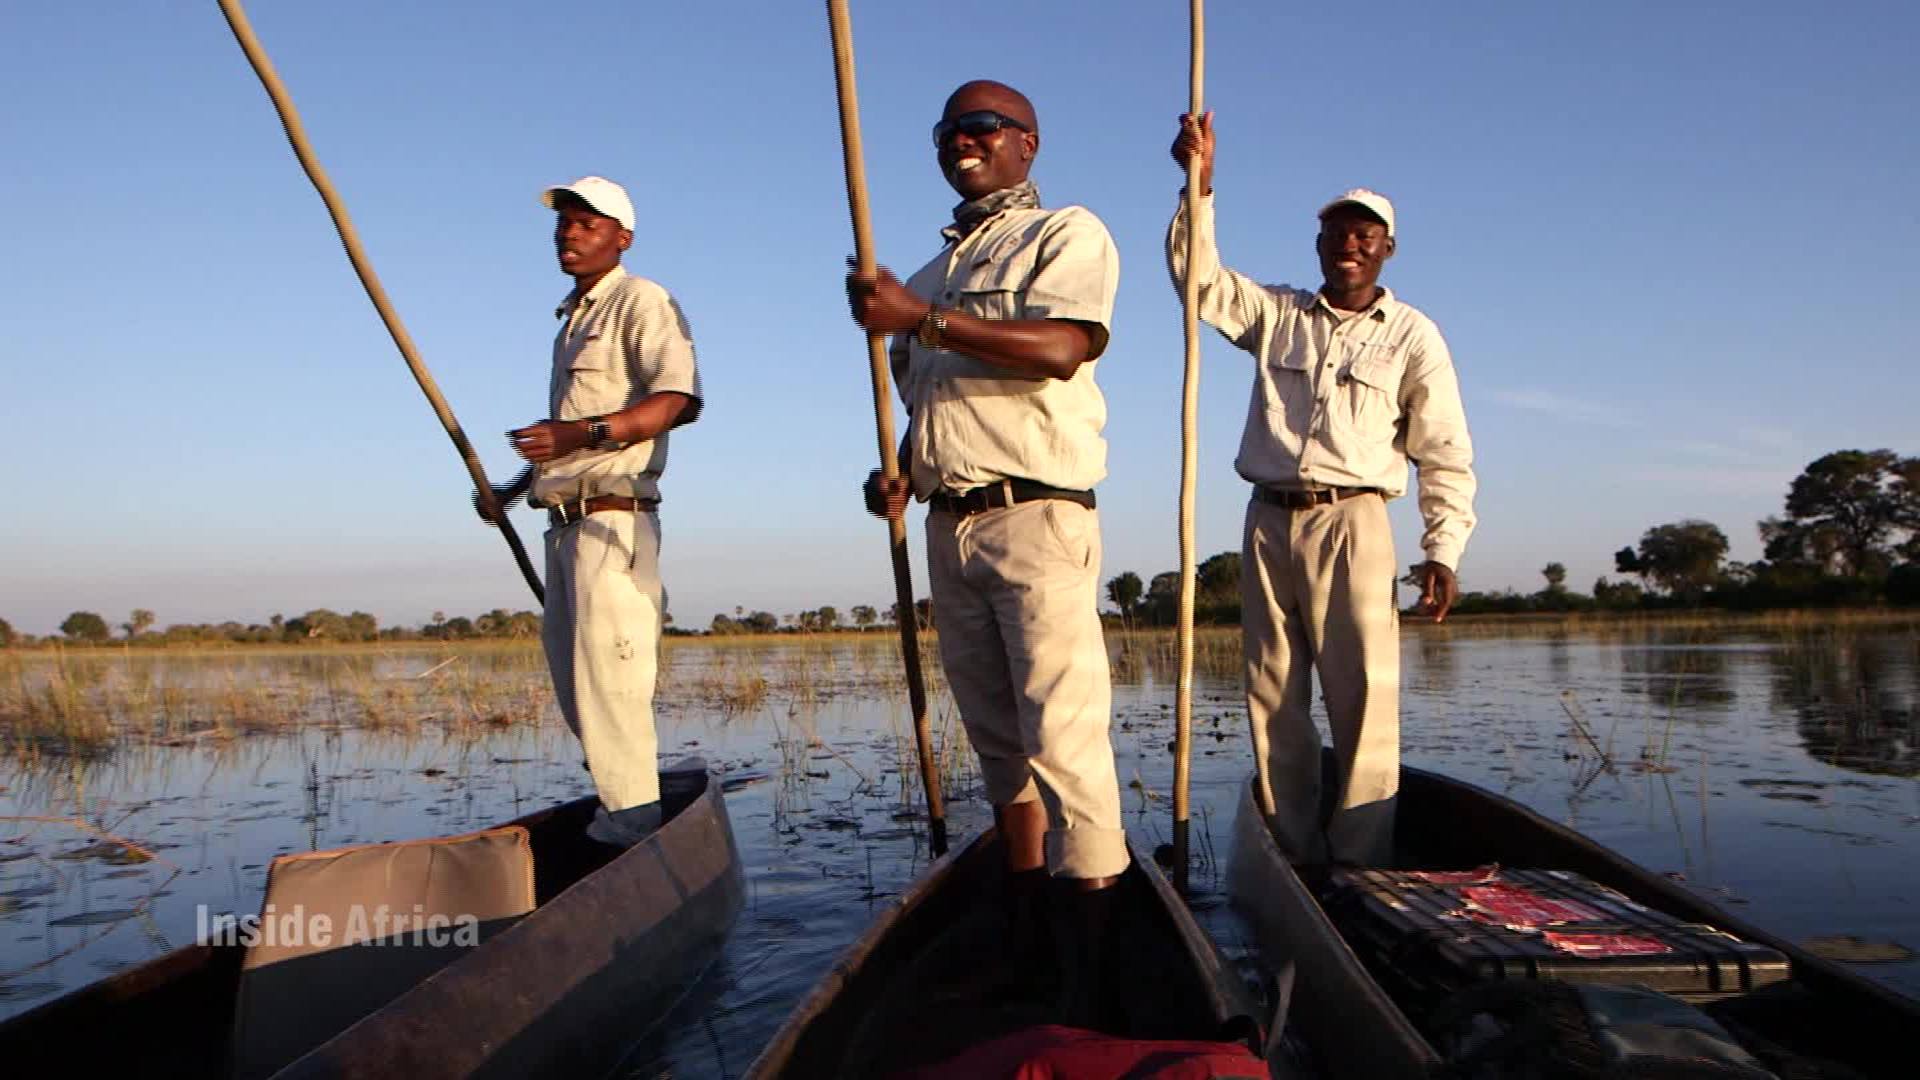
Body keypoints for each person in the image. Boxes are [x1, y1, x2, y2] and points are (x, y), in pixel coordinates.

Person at [847, 80, 1124, 1017]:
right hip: (949, 525)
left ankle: (1091, 960)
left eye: (984, 126)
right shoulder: (922, 279)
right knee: (999, 744)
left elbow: (1059, 349)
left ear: (1027, 145)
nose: (964, 140)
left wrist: (918, 321)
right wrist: (901, 477)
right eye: (949, 130)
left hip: (1038, 519)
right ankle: (1026, 925)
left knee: (1063, 738)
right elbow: (928, 413)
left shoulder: (1067, 234)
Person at [1167, 112, 1477, 869]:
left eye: (1364, 235)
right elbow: (1196, 282)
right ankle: (1291, 858)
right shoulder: (1277, 315)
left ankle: (1361, 867)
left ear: (1386, 249)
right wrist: (1197, 186)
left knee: (1363, 703)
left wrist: (1443, 550)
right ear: (1318, 245)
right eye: (1337, 232)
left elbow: (1444, 453)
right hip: (1269, 519)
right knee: (1273, 697)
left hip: (1354, 522)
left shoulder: (1412, 335)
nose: (1349, 244)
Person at [477, 175, 703, 848]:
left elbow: (678, 402)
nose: (570, 233)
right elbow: (562, 445)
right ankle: (624, 820)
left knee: (612, 694)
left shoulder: (642, 300)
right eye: (564, 223)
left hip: (613, 523)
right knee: (579, 694)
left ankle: (634, 838)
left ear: (621, 238)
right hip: (563, 527)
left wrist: (584, 434)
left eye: (587, 223)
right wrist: (509, 492)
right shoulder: (572, 323)